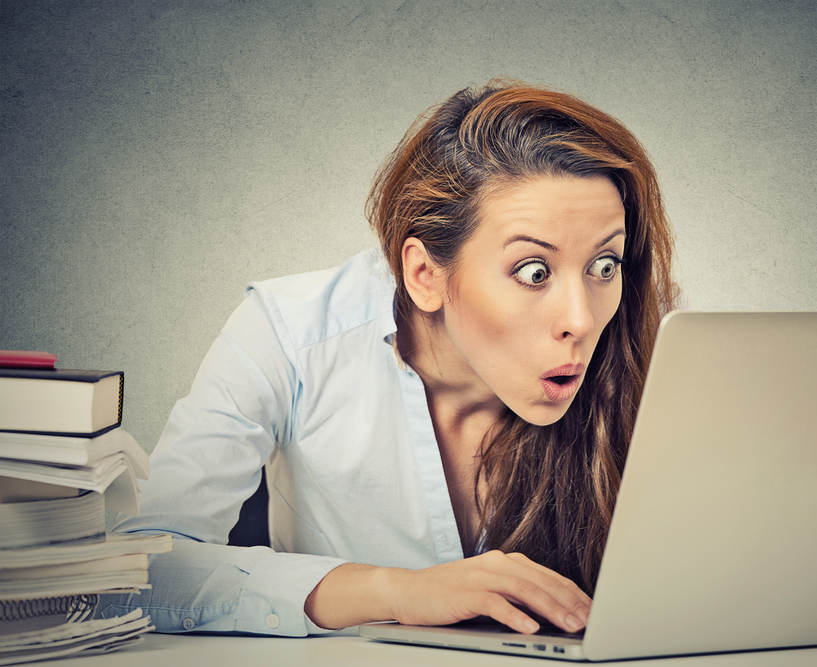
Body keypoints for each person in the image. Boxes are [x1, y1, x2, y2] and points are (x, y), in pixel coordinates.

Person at [104, 78, 679, 637]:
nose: (580, 319)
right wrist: (397, 592)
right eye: (534, 272)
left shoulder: (646, 349)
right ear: (425, 274)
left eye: (604, 266)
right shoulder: (290, 336)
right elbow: (143, 572)